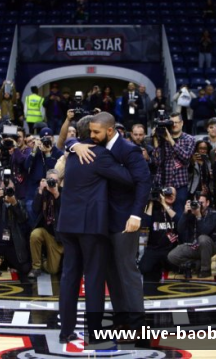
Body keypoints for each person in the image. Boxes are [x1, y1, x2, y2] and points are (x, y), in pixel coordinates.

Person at [72, 112, 151, 339]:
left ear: (109, 130)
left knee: (127, 270)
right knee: (111, 273)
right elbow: (67, 143)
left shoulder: (128, 149)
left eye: (96, 132)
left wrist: (136, 214)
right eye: (90, 132)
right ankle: (122, 320)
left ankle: (138, 325)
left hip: (126, 220)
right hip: (102, 220)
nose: (92, 136)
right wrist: (73, 145)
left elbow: (144, 182)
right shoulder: (97, 145)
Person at [57, 115, 135, 343]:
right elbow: (129, 178)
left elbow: (64, 144)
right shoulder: (100, 155)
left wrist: (73, 143)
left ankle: (65, 332)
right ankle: (93, 333)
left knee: (69, 278)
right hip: (90, 226)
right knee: (93, 279)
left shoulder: (72, 153)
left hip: (67, 224)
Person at [151, 113, 196, 217]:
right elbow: (157, 162)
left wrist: (170, 140)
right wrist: (155, 139)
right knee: (160, 216)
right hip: (162, 182)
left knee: (179, 216)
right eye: (172, 122)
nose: (174, 125)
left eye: (176, 122)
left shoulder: (189, 139)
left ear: (182, 123)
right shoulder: (161, 137)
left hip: (180, 185)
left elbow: (186, 157)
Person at [168, 193, 216, 278]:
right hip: (193, 246)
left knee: (202, 238)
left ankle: (205, 270)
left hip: (209, 246)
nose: (199, 205)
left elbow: (205, 231)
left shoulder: (213, 214)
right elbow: (180, 230)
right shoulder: (191, 212)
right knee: (172, 256)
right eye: (197, 202)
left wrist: (198, 216)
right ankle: (196, 264)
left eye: (201, 203)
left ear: (208, 203)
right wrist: (185, 213)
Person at [24, 128, 63, 226]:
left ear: (53, 139)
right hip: (34, 189)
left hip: (50, 189)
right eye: (44, 139)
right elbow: (26, 166)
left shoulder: (58, 153)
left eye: (49, 138)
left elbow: (54, 171)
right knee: (30, 210)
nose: (46, 141)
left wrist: (48, 154)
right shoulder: (36, 151)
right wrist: (33, 151)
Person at [28, 170, 64, 278]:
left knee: (52, 270)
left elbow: (65, 210)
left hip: (58, 236)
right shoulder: (42, 191)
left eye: (55, 181)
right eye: (51, 180)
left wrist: (56, 194)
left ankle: (44, 261)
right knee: (35, 234)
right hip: (46, 231)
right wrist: (40, 190)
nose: (53, 183)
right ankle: (36, 267)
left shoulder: (62, 192)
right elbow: (35, 209)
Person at [140, 188, 178, 282]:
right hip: (154, 248)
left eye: (172, 194)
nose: (169, 196)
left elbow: (178, 221)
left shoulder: (178, 208)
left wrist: (164, 204)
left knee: (175, 267)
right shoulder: (154, 209)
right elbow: (145, 225)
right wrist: (151, 202)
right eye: (167, 193)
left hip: (171, 249)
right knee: (144, 268)